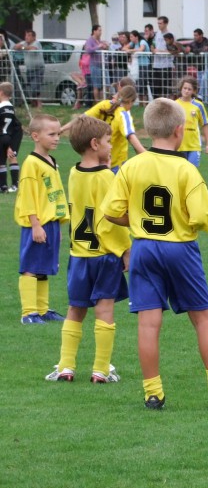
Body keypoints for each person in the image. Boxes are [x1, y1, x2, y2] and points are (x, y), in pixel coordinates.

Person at [102, 99, 208, 410]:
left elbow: (111, 212)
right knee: (202, 318)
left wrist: (136, 221)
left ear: (149, 130)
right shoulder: (186, 169)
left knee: (149, 323)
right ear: (180, 131)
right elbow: (202, 217)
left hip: (143, 248)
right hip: (180, 247)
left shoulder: (131, 166)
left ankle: (153, 393)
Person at [45, 116, 129, 384]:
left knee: (75, 309)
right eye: (107, 141)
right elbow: (112, 219)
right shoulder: (107, 177)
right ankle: (100, 370)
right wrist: (126, 250)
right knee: (104, 311)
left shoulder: (72, 173)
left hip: (79, 255)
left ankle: (66, 367)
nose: (111, 146)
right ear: (95, 144)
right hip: (104, 255)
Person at [14, 113, 68, 325]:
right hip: (37, 223)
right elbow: (27, 195)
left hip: (50, 223)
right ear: (35, 136)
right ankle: (28, 313)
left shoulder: (50, 160)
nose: (57, 138)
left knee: (44, 266)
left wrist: (58, 225)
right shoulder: (31, 163)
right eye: (51, 134)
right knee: (31, 265)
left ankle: (42, 310)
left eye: (58, 133)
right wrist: (35, 224)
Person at [63, 84, 145, 170]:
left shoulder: (103, 104)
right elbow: (131, 137)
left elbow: (81, 118)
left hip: (98, 163)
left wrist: (62, 129)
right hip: (116, 165)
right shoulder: (123, 114)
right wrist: (148, 157)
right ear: (130, 101)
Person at [174, 77, 208, 167]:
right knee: (180, 173)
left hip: (194, 145)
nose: (186, 91)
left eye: (189, 89)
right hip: (179, 145)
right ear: (181, 89)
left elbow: (204, 124)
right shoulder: (175, 105)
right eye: (185, 88)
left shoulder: (198, 105)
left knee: (192, 171)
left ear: (194, 91)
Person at [0, 81, 23, 193]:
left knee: (1, 162)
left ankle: (3, 186)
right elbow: (17, 126)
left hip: (2, 136)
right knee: (12, 157)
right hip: (11, 136)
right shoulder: (11, 108)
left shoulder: (1, 108)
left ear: (1, 93)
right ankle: (15, 184)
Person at [13, 30, 44, 108]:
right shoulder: (25, 43)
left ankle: (39, 103)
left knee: (35, 86)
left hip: (38, 68)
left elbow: (33, 49)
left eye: (29, 35)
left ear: (34, 37)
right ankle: (34, 103)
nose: (27, 37)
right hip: (29, 69)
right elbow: (14, 47)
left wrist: (22, 47)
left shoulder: (37, 43)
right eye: (26, 35)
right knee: (31, 87)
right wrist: (20, 46)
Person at [185, 28, 208, 102]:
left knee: (204, 80)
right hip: (199, 68)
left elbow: (205, 50)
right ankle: (206, 100)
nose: (195, 37)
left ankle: (199, 97)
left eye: (196, 35)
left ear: (201, 35)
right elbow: (188, 48)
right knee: (200, 84)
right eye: (194, 35)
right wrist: (189, 49)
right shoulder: (193, 43)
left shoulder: (207, 41)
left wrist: (193, 51)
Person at [84, 25, 109, 102]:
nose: (100, 32)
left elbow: (103, 48)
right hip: (95, 65)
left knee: (106, 85)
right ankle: (97, 103)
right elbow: (88, 50)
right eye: (99, 30)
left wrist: (106, 46)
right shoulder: (90, 40)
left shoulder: (100, 40)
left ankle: (103, 101)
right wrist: (98, 46)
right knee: (96, 86)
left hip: (103, 65)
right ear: (94, 31)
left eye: (101, 30)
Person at [140, 23, 155, 100]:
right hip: (148, 64)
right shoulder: (145, 40)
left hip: (154, 63)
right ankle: (144, 102)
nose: (145, 33)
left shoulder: (155, 38)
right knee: (144, 82)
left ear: (152, 30)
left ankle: (155, 99)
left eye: (147, 31)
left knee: (153, 83)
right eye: (145, 31)